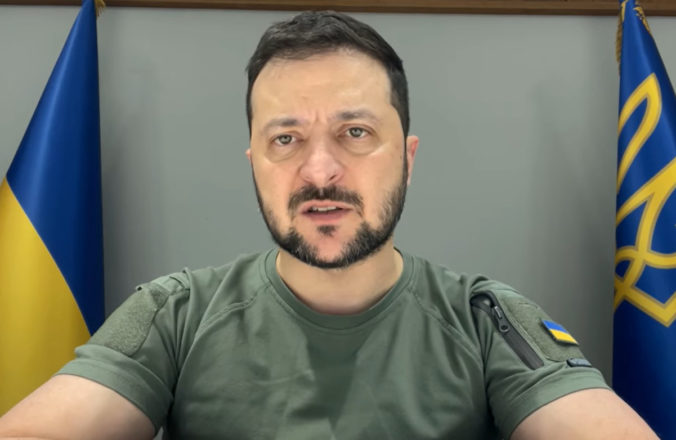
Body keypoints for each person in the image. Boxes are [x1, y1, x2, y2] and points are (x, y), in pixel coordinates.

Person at [0, 10, 658, 440]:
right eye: (285, 139)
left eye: (356, 132)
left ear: (407, 158)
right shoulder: (173, 314)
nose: (320, 170)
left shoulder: (489, 319)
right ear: (255, 163)